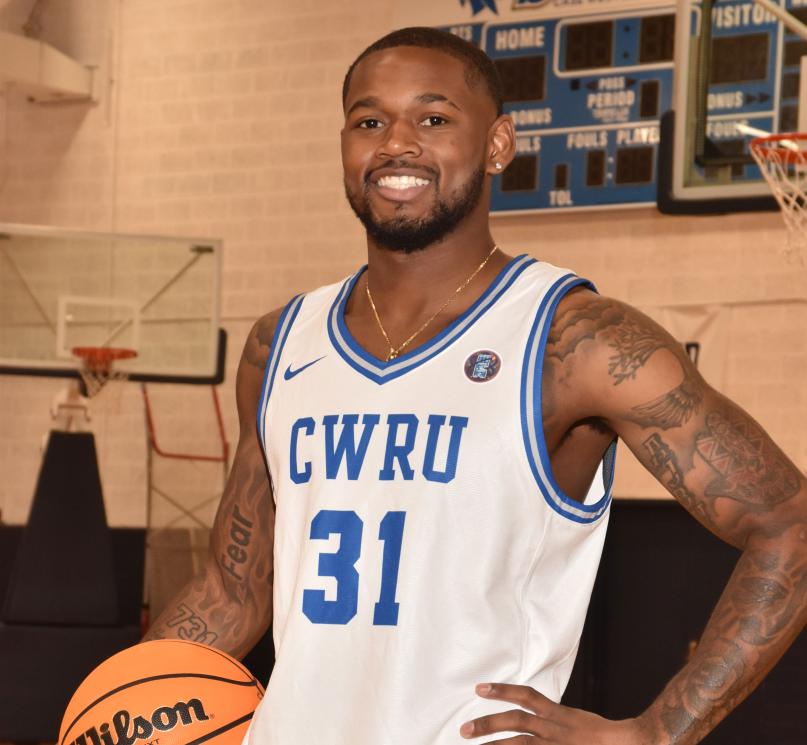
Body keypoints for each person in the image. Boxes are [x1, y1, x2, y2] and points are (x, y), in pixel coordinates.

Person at [144, 27, 807, 745]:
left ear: (497, 145)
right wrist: (121, 703)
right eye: (369, 121)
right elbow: (231, 590)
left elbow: (787, 525)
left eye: (432, 119)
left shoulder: (577, 341)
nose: (396, 144)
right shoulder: (278, 345)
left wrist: (656, 730)